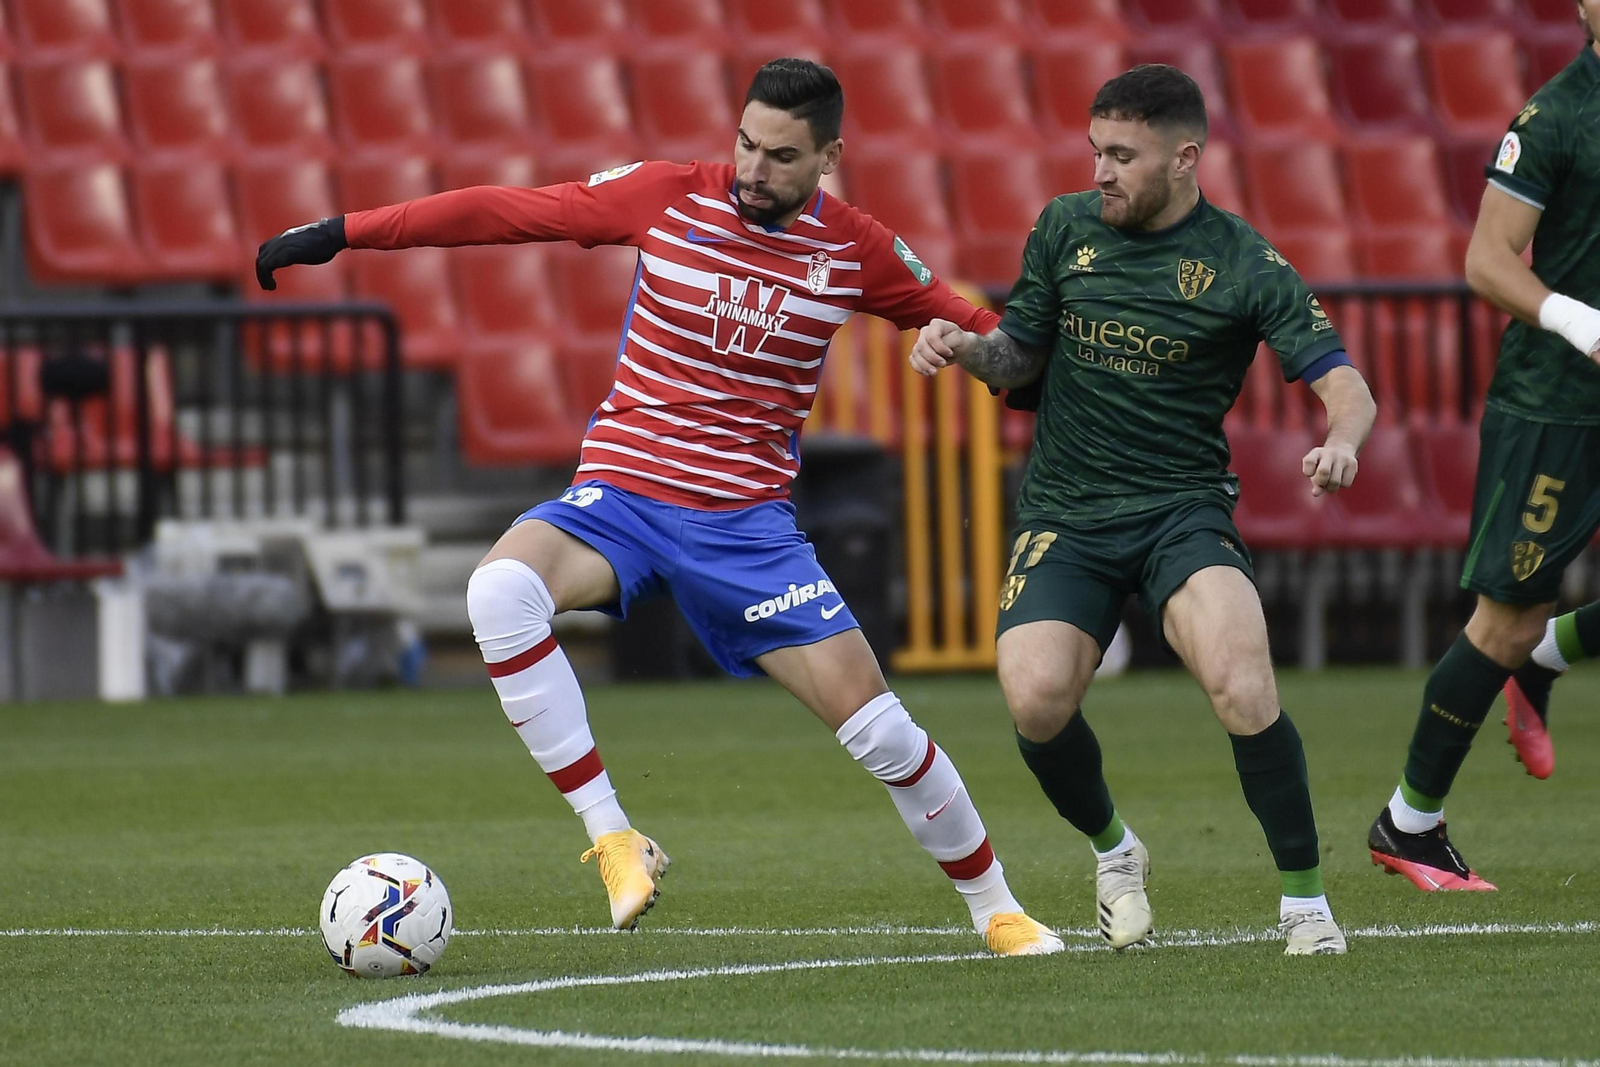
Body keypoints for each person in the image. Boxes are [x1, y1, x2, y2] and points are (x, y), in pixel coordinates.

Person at [256, 59, 1062, 955]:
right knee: (497, 595)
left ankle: (998, 910)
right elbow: (507, 211)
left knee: (883, 733)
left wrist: (958, 345)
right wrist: (343, 231)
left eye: (783, 157)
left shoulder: (860, 250)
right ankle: (613, 836)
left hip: (748, 529)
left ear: (831, 155)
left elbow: (1007, 352)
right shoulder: (665, 197)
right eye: (746, 145)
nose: (754, 170)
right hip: (622, 498)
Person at [909, 64, 1375, 955]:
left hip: (1180, 509)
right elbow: (1021, 358)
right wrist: (967, 346)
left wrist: (1343, 438)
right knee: (1036, 699)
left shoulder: (1243, 261)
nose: (1101, 172)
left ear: (1185, 157)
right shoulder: (1064, 228)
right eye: (1095, 151)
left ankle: (1306, 904)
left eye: (1122, 155)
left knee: (1243, 683)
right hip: (1068, 510)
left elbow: (1346, 385)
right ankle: (1116, 851)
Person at [1367, 4, 1600, 889]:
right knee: (1505, 619)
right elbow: (1487, 259)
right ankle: (1409, 820)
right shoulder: (1556, 117)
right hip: (1558, 405)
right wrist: (1584, 324)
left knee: (1528, 632)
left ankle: (1547, 658)